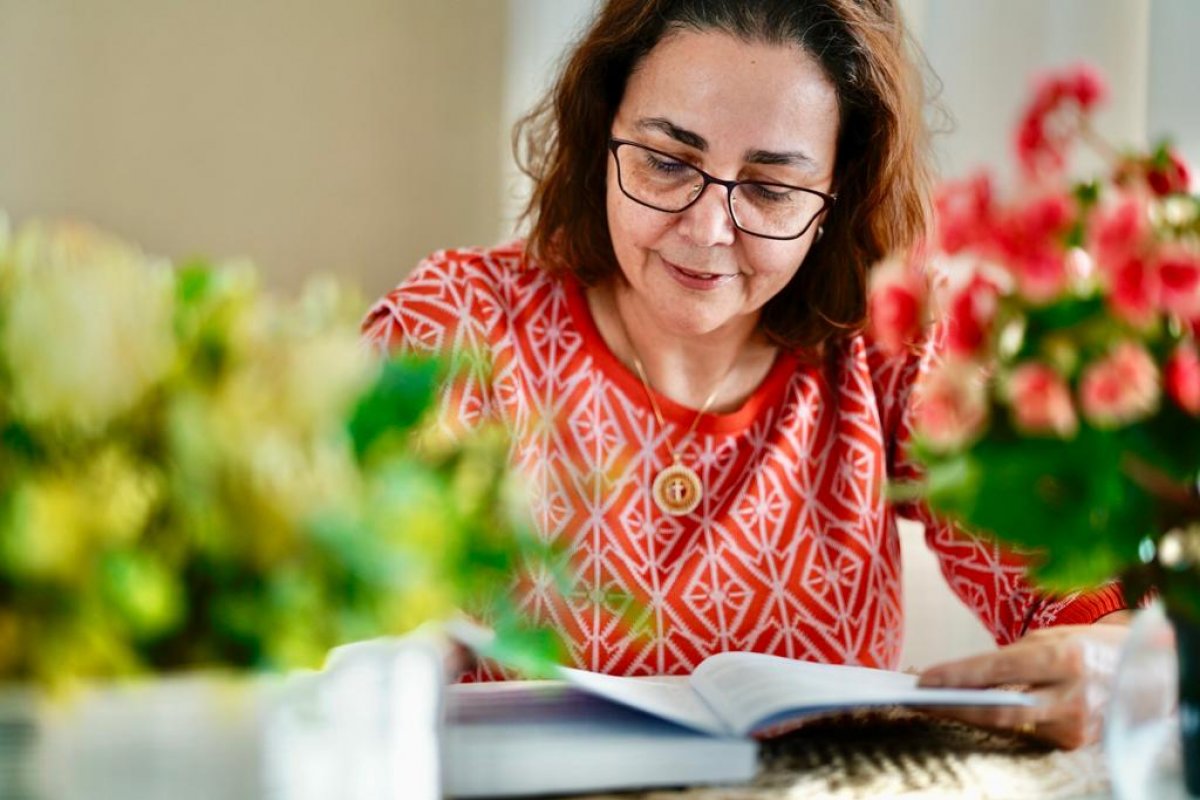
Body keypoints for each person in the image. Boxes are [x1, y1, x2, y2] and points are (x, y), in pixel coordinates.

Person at [363, 0, 1132, 749]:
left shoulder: (886, 342)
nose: (706, 230)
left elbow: (1081, 586)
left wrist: (1116, 660)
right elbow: (315, 604)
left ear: (836, 196)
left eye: (770, 189)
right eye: (667, 163)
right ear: (602, 133)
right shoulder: (459, 324)